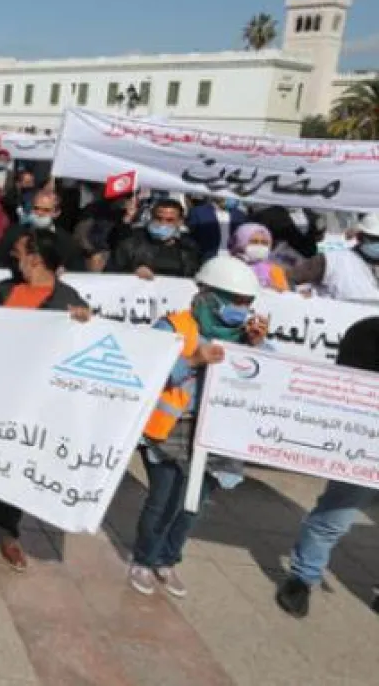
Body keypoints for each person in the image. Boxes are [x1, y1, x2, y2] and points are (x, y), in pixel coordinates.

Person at [0, 230, 91, 571]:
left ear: (36, 259)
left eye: (18, 253)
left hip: (35, 398)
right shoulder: (5, 290)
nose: (13, 258)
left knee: (19, 461)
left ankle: (7, 531)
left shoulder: (68, 299)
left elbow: (79, 348)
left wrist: (86, 323)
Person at [127, 255, 266, 598]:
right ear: (208, 294)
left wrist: (256, 348)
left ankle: (167, 559)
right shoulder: (174, 326)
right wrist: (193, 360)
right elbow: (149, 372)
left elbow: (261, 382)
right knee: (164, 499)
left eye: (247, 303)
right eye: (235, 301)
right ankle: (143, 559)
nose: (241, 309)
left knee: (194, 503)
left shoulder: (244, 336)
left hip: (217, 432)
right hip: (171, 431)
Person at [274, 321, 379, 618]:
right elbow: (351, 387)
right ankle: (302, 578)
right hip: (367, 446)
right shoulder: (367, 333)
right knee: (335, 516)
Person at [284, 213, 379, 302]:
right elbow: (287, 277)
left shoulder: (373, 269)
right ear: (360, 237)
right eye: (375, 240)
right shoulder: (335, 259)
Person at [110, 198, 201, 279]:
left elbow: (193, 275)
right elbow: (113, 271)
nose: (163, 223)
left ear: (180, 222)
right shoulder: (132, 241)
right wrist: (134, 270)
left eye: (169, 220)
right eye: (158, 218)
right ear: (151, 217)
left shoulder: (188, 247)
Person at [230, 223, 289, 291]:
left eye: (264, 243)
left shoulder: (275, 270)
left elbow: (284, 295)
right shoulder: (229, 266)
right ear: (240, 243)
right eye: (254, 242)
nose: (260, 246)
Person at [186, 196, 247, 261]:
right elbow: (192, 236)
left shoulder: (240, 215)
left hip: (233, 259)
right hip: (207, 258)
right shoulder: (198, 212)